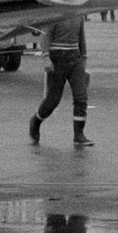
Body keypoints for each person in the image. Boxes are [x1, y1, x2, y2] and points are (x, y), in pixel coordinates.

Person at [28, 12, 93, 147]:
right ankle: (36, 121)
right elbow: (45, 37)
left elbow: (81, 38)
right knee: (53, 100)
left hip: (75, 58)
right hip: (57, 59)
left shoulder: (79, 14)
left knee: (81, 97)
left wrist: (84, 60)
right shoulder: (55, 14)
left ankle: (79, 135)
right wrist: (46, 57)